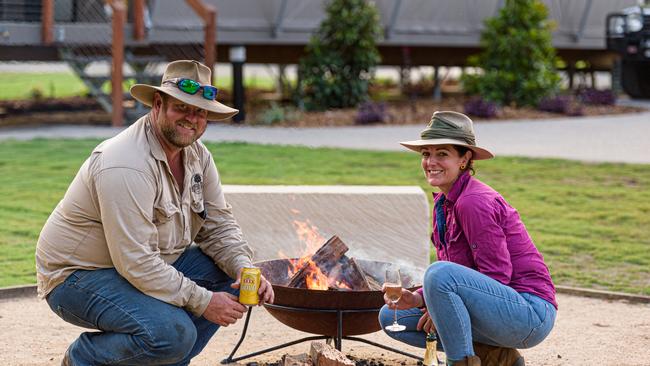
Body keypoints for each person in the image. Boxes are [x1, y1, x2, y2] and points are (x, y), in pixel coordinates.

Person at [36, 60, 274, 366]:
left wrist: (243, 267)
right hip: (77, 277)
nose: (192, 118)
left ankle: (168, 361)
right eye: (182, 107)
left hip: (140, 265)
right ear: (158, 104)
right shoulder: (125, 164)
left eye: (200, 111)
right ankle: (83, 359)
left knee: (226, 275)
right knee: (172, 334)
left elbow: (218, 226)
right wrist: (204, 302)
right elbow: (135, 261)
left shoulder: (198, 156)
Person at [379, 111, 557, 366]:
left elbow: (497, 276)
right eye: (426, 154)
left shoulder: (473, 202)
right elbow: (462, 274)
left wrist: (440, 307)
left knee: (438, 273)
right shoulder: (444, 202)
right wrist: (419, 299)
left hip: (529, 313)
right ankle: (499, 358)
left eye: (442, 154)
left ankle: (459, 362)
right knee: (391, 316)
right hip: (497, 309)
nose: (431, 161)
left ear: (465, 159)